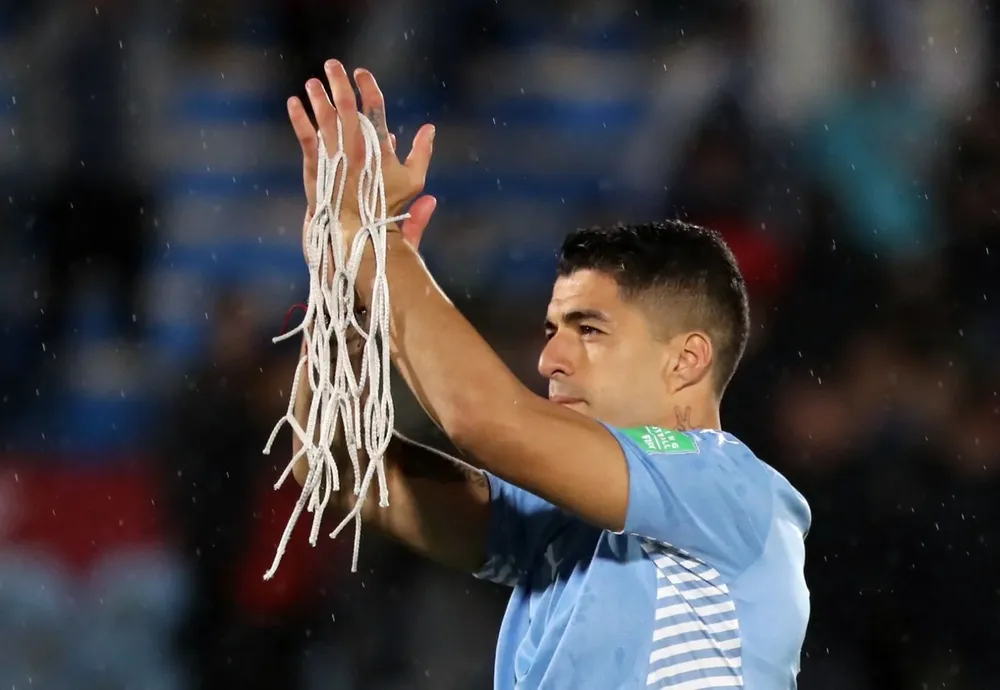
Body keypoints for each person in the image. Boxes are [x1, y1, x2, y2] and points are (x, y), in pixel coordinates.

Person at [282, 60, 811, 689]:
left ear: (686, 359)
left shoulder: (727, 486)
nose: (549, 360)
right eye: (551, 331)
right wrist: (346, 287)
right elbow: (337, 471)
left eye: (589, 330)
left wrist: (371, 240)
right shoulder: (560, 520)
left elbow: (487, 420)